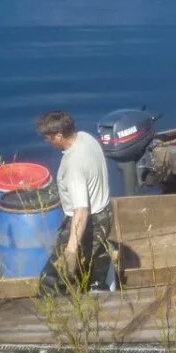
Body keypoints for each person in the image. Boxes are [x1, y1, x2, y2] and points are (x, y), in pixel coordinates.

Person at [37, 110, 115, 291]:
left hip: (88, 223)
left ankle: (63, 314)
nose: (46, 141)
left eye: (48, 137)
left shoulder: (74, 166)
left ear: (58, 136)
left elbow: (81, 210)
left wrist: (71, 251)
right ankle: (97, 279)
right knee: (87, 262)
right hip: (106, 213)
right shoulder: (86, 138)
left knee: (52, 278)